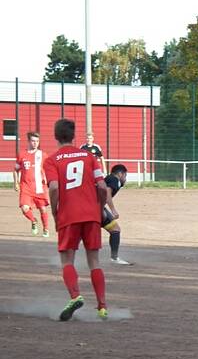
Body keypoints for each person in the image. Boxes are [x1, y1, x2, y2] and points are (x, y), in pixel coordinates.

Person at [44, 119, 109, 321]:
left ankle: (75, 296)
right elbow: (102, 187)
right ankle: (102, 307)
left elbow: (54, 187)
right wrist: (98, 210)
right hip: (91, 215)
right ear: (74, 136)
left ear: (56, 136)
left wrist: (55, 212)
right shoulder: (90, 157)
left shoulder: (52, 160)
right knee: (94, 261)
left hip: (68, 215)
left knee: (67, 260)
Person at [13, 131, 50, 237]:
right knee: (24, 208)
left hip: (39, 187)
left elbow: (49, 169)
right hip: (26, 187)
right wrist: (15, 182)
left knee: (43, 209)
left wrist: (47, 179)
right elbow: (15, 170)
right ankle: (34, 221)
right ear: (29, 141)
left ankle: (46, 228)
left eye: (37, 141)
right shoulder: (22, 154)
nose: (35, 143)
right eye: (33, 141)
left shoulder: (42, 155)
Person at [102, 164, 132, 265]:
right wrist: (113, 210)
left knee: (81, 231)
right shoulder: (114, 179)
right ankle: (114, 258)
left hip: (93, 207)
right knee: (115, 229)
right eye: (125, 175)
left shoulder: (110, 179)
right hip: (95, 208)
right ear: (120, 174)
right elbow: (107, 192)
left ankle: (66, 254)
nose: (125, 178)